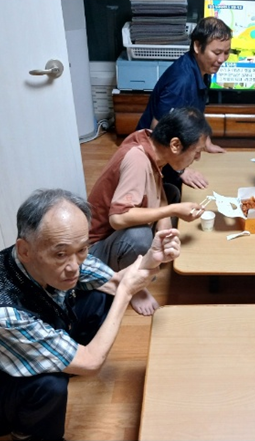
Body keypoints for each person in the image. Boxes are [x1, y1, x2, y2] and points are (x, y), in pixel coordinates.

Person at [0, 188, 181, 441]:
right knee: (50, 385)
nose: (74, 266)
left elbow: (113, 282)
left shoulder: (56, 251)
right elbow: (92, 362)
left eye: (83, 249)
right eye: (60, 254)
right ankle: (26, 433)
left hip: (30, 332)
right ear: (25, 250)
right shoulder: (0, 315)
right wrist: (126, 294)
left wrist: (151, 260)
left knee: (99, 297)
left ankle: (66, 362)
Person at [88, 107, 210, 314]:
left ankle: (150, 253)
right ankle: (133, 286)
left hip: (114, 234)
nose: (197, 158)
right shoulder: (137, 160)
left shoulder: (150, 141)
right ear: (175, 145)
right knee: (139, 236)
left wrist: (164, 225)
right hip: (96, 249)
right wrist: (172, 210)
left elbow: (157, 187)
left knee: (171, 191)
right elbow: (118, 217)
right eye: (196, 152)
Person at [136, 16, 232, 190]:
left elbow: (196, 115)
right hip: (151, 157)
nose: (222, 59)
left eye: (226, 53)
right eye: (217, 52)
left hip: (174, 153)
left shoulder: (202, 70)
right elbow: (157, 133)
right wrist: (181, 171)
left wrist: (207, 143)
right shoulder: (180, 83)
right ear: (197, 46)